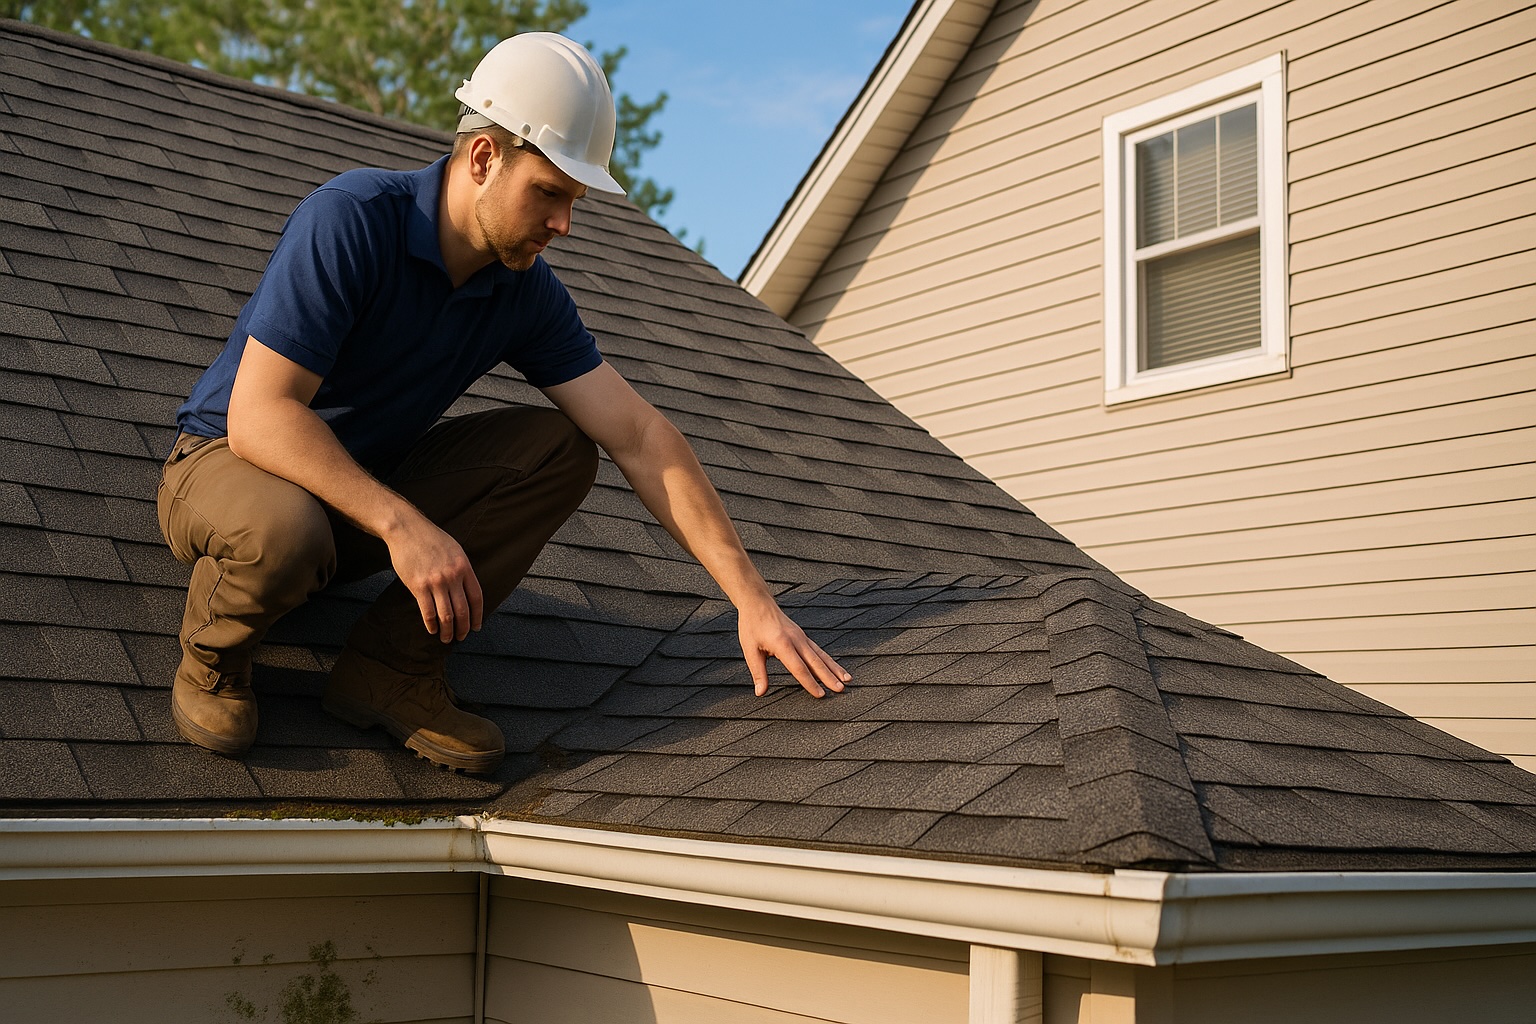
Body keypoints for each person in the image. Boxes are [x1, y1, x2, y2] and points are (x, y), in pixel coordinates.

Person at [157, 33, 849, 773]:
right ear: (484, 157)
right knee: (285, 531)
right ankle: (213, 660)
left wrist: (753, 601)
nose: (563, 224)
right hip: (226, 467)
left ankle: (390, 669)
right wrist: (405, 526)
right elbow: (259, 416)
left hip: (350, 508)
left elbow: (642, 435)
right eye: (549, 193)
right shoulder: (353, 218)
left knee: (557, 449)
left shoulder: (522, 293)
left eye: (573, 200)